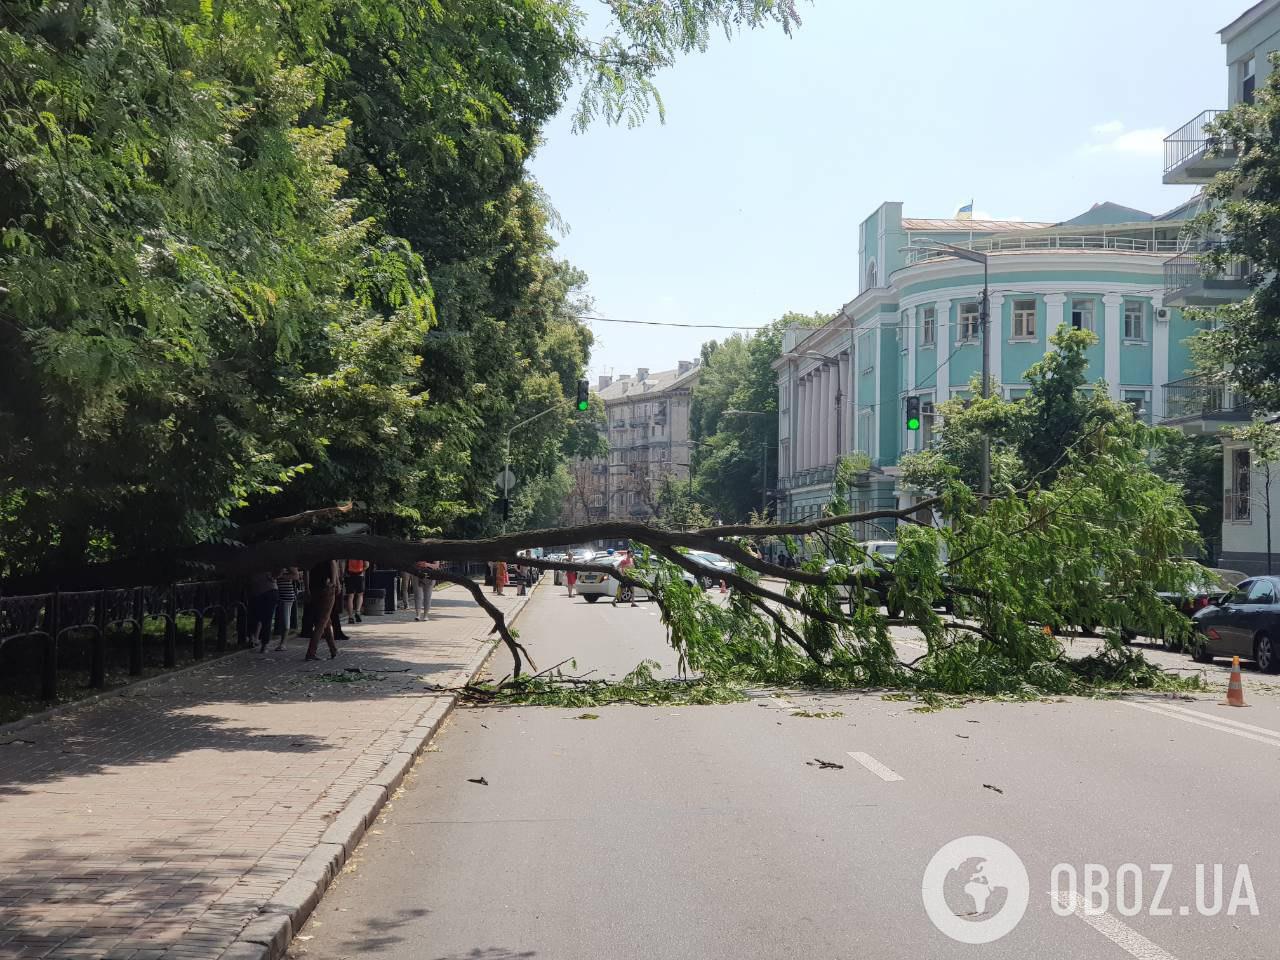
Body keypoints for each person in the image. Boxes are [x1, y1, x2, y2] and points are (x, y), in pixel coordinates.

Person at [305, 559, 340, 661]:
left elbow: (306, 572)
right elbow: (333, 565)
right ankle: (311, 652)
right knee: (322, 621)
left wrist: (307, 589)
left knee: (326, 620)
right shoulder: (328, 553)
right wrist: (334, 583)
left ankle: (333, 649)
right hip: (327, 586)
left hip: (314, 587)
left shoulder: (311, 554)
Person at [248, 571, 279, 652]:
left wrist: (275, 576)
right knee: (256, 617)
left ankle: (263, 644)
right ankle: (256, 640)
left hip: (266, 590)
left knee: (265, 618)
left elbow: (280, 566)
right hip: (258, 590)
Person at [272, 567, 300, 652]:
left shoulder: (288, 564)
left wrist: (282, 576)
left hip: (287, 594)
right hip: (276, 593)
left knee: (285, 619)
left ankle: (283, 644)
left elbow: (296, 576)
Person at [344, 558, 368, 624]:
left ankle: (350, 617)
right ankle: (357, 611)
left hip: (349, 575)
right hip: (359, 575)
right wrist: (362, 570)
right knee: (360, 595)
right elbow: (366, 565)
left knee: (350, 597)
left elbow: (344, 564)